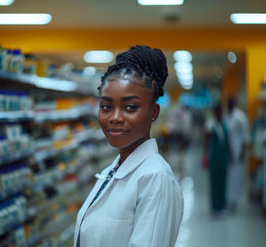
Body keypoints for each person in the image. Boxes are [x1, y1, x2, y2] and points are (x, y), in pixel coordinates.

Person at [74, 45, 184, 247]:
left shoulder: (155, 179)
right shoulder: (112, 171)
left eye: (130, 107)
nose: (115, 118)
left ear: (154, 112)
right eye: (106, 106)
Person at [203, 103, 229, 217]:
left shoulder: (224, 123)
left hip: (223, 155)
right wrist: (205, 156)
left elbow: (227, 141)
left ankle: (222, 206)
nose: (220, 114)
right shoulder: (210, 124)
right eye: (218, 111)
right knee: (214, 182)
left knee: (223, 181)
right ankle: (215, 208)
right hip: (214, 157)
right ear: (215, 112)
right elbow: (206, 142)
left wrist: (231, 155)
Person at [225, 97, 250, 212]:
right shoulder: (226, 116)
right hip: (227, 151)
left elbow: (245, 135)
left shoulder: (240, 117)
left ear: (234, 103)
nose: (229, 104)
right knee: (228, 177)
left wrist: (242, 152)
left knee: (236, 177)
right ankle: (228, 201)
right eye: (228, 102)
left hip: (238, 151)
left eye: (231, 102)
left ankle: (234, 202)